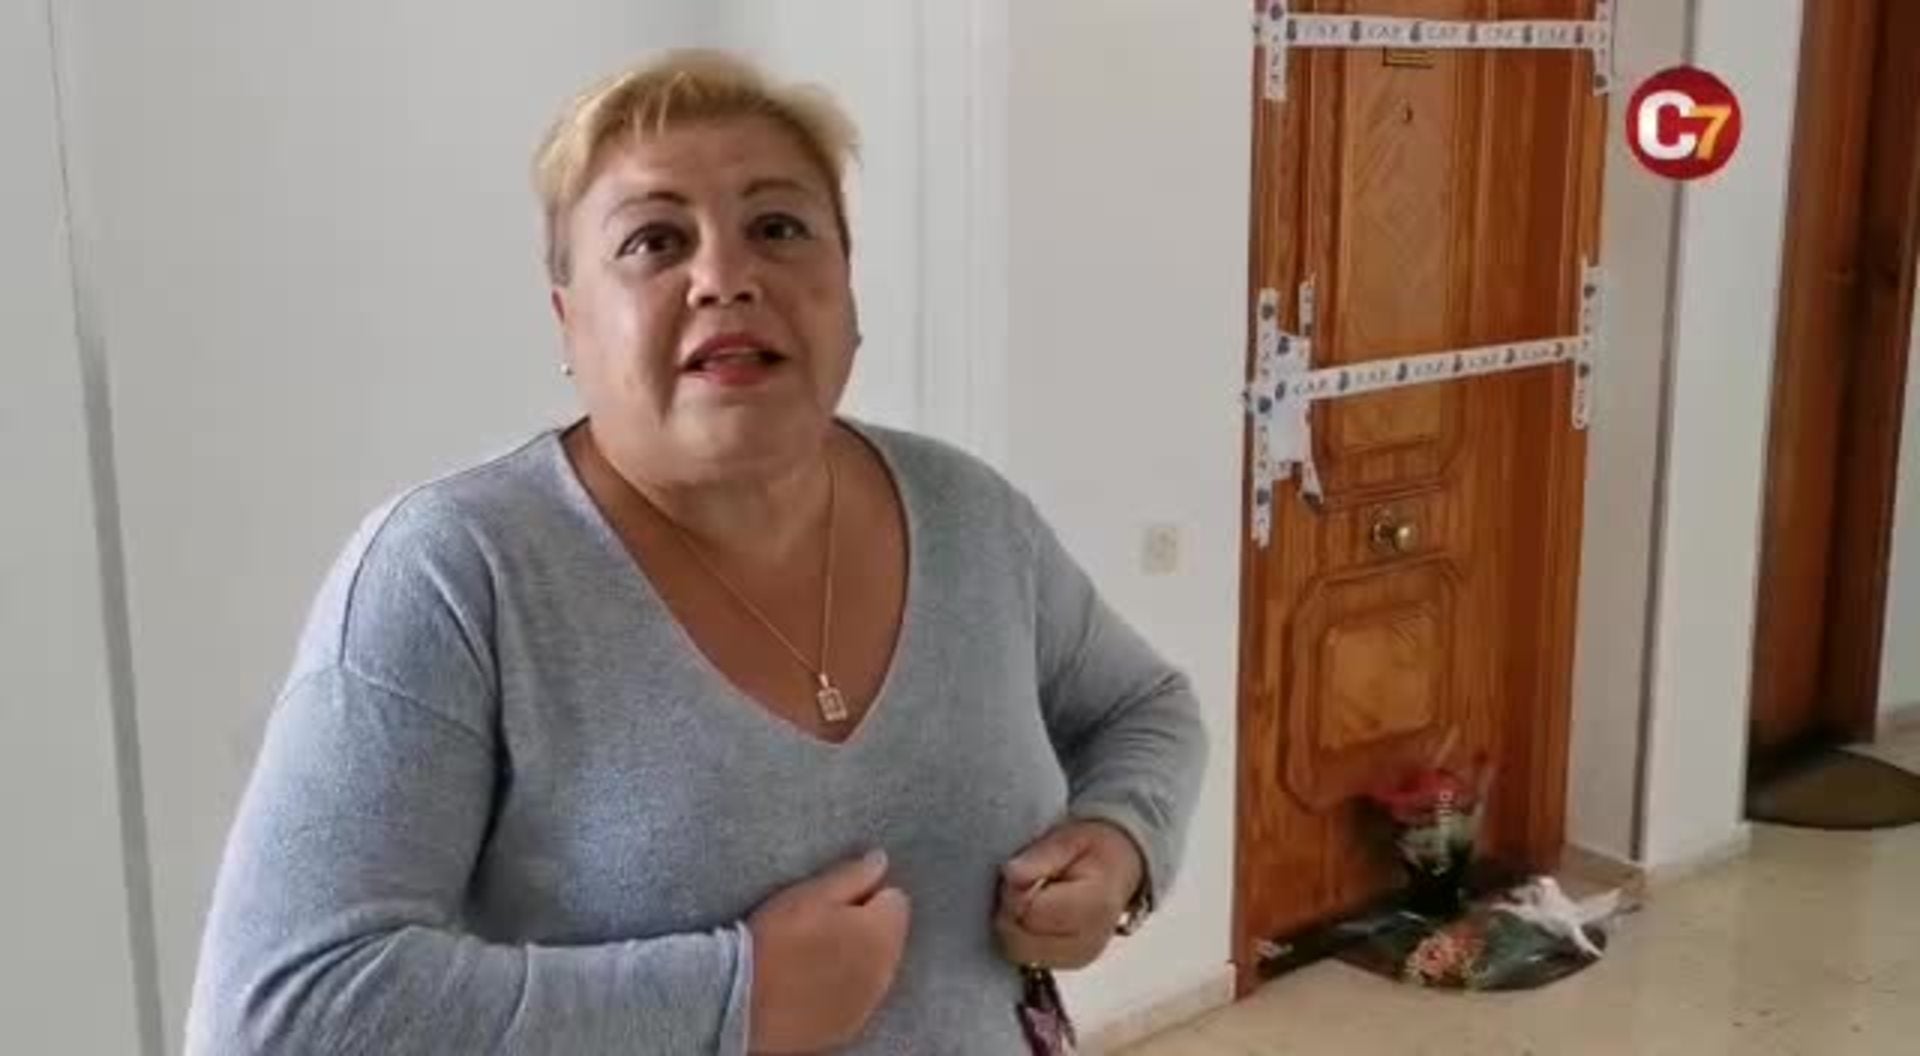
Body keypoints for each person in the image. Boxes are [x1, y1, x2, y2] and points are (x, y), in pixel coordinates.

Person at [186, 49, 1207, 1054]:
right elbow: (277, 1014)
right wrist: (733, 998)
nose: (725, 276)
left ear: (848, 293)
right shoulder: (455, 573)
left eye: (778, 228)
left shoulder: (970, 515)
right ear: (570, 322)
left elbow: (1145, 707)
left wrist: (1122, 843)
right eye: (654, 241)